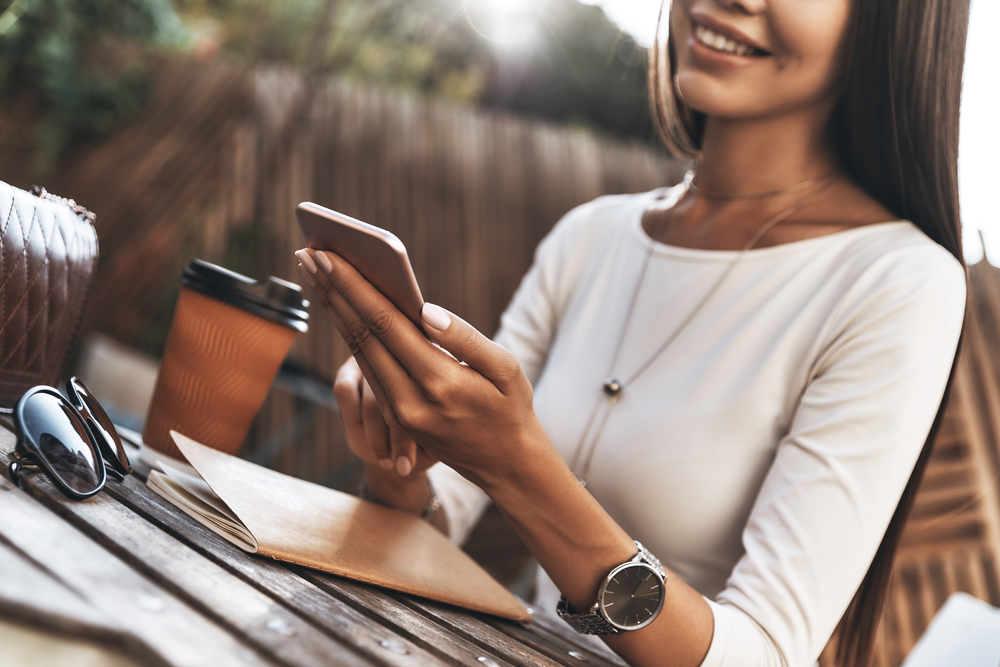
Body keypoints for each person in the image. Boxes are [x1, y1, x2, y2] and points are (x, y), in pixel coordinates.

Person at [294, 0, 970, 663]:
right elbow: (446, 514)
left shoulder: (898, 282)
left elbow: (762, 652)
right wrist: (400, 462)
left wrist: (517, 463)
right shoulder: (591, 235)